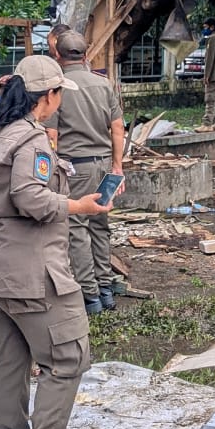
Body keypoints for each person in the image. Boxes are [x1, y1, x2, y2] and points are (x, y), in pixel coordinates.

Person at [0, 55, 109, 429]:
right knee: (67, 357)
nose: (59, 101)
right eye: (58, 94)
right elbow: (31, 197)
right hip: (31, 272)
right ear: (46, 96)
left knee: (10, 363)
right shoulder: (32, 142)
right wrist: (78, 206)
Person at [50, 34, 126, 315]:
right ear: (85, 55)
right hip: (104, 164)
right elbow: (117, 128)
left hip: (75, 167)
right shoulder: (104, 84)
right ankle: (105, 290)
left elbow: (51, 134)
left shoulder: (59, 87)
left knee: (77, 228)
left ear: (58, 56)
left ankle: (89, 296)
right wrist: (117, 166)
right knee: (100, 225)